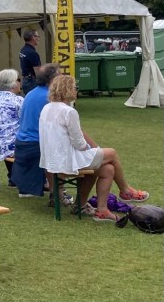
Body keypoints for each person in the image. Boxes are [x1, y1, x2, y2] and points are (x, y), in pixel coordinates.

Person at [39, 74, 148, 222]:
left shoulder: (46, 108)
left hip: (52, 161)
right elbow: (79, 143)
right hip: (67, 161)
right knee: (112, 153)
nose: (76, 90)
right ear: (67, 89)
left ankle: (97, 209)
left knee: (108, 170)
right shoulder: (69, 111)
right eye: (75, 87)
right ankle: (126, 191)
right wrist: (88, 148)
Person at [13, 63, 69, 204]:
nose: (63, 78)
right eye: (60, 75)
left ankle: (55, 192)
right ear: (52, 79)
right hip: (35, 144)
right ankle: (57, 193)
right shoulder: (50, 98)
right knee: (64, 150)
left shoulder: (31, 93)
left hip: (22, 144)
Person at [0, 68, 23, 183]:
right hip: (12, 146)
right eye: (18, 80)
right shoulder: (18, 100)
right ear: (12, 84)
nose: (20, 82)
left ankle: (14, 177)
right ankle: (42, 181)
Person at [18, 29, 42, 94]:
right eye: (38, 36)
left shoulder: (23, 50)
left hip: (25, 80)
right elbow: (38, 73)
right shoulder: (32, 53)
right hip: (32, 82)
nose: (39, 39)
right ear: (33, 38)